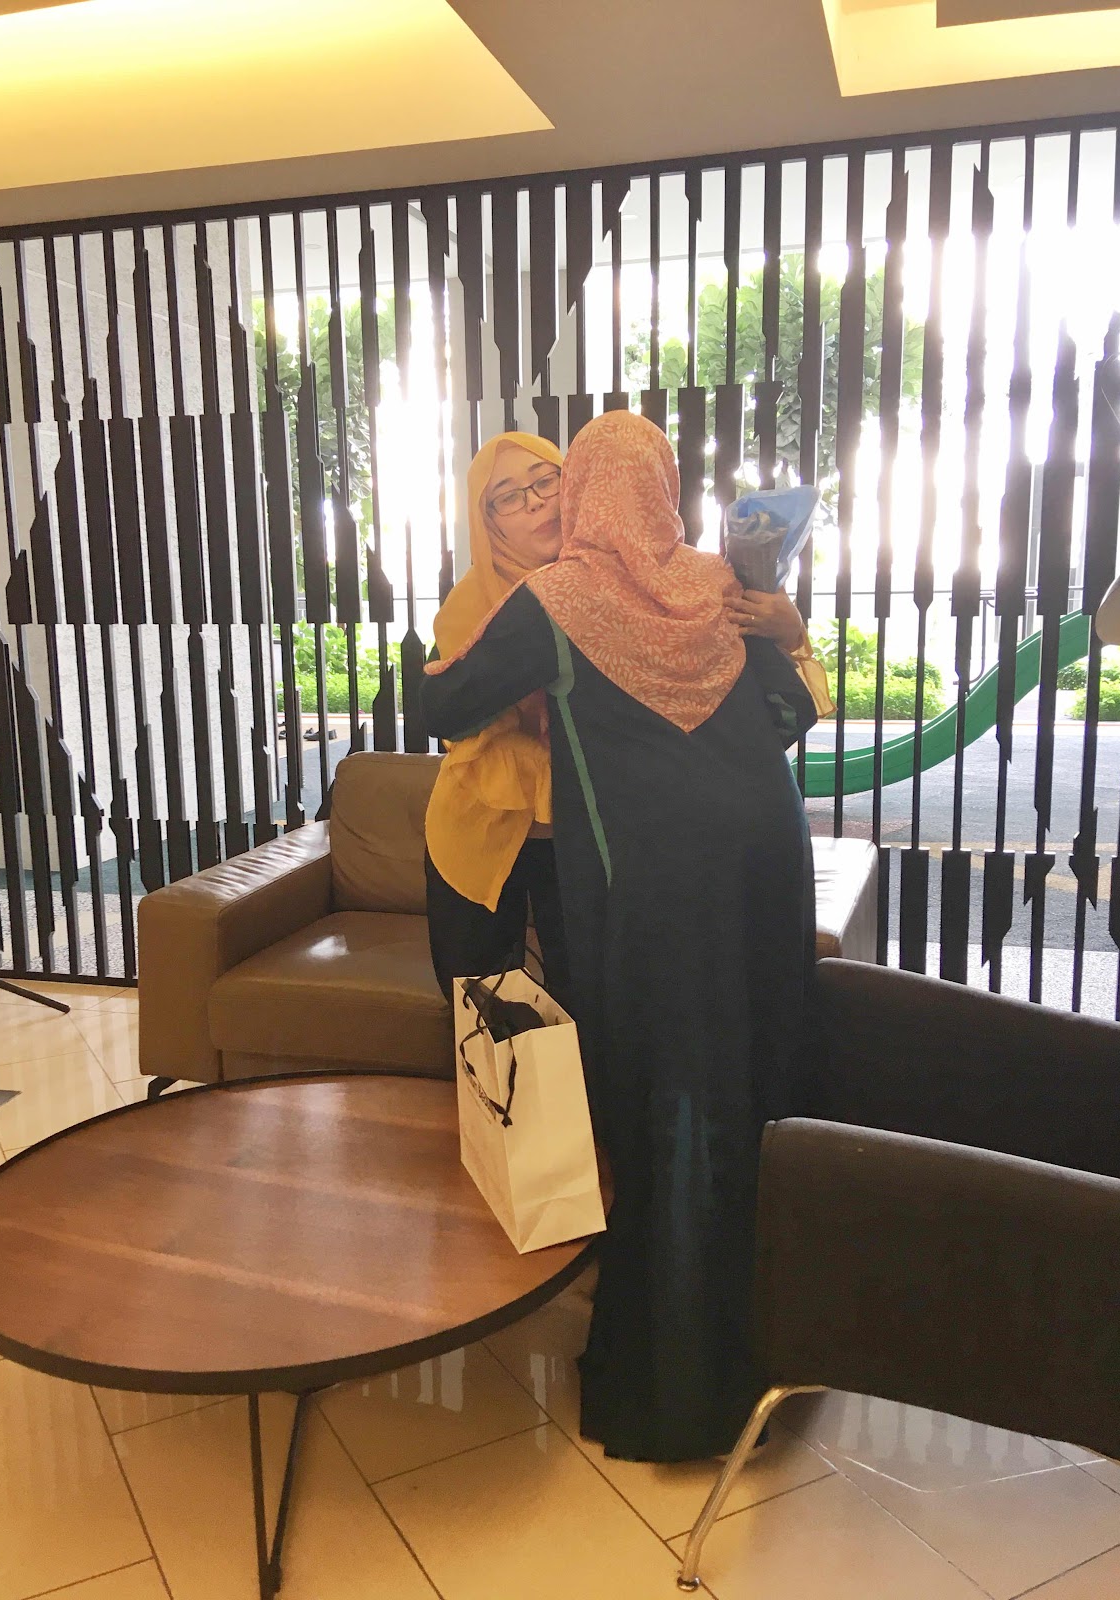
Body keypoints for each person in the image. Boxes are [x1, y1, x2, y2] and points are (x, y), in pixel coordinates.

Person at [421, 411, 822, 1464]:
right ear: (665, 487)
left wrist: (435, 669)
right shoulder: (717, 583)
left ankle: (675, 1389)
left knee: (661, 1104)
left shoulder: (559, 598)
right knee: (752, 1088)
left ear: (586, 491)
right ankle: (777, 1351)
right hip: (767, 871)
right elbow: (791, 718)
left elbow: (445, 704)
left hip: (652, 893)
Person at [424, 431, 573, 1013]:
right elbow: (466, 733)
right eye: (508, 497)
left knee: (587, 1007)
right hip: (479, 830)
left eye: (545, 481)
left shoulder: (609, 584)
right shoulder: (470, 605)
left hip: (579, 842)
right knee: (486, 1017)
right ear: (489, 522)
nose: (534, 503)